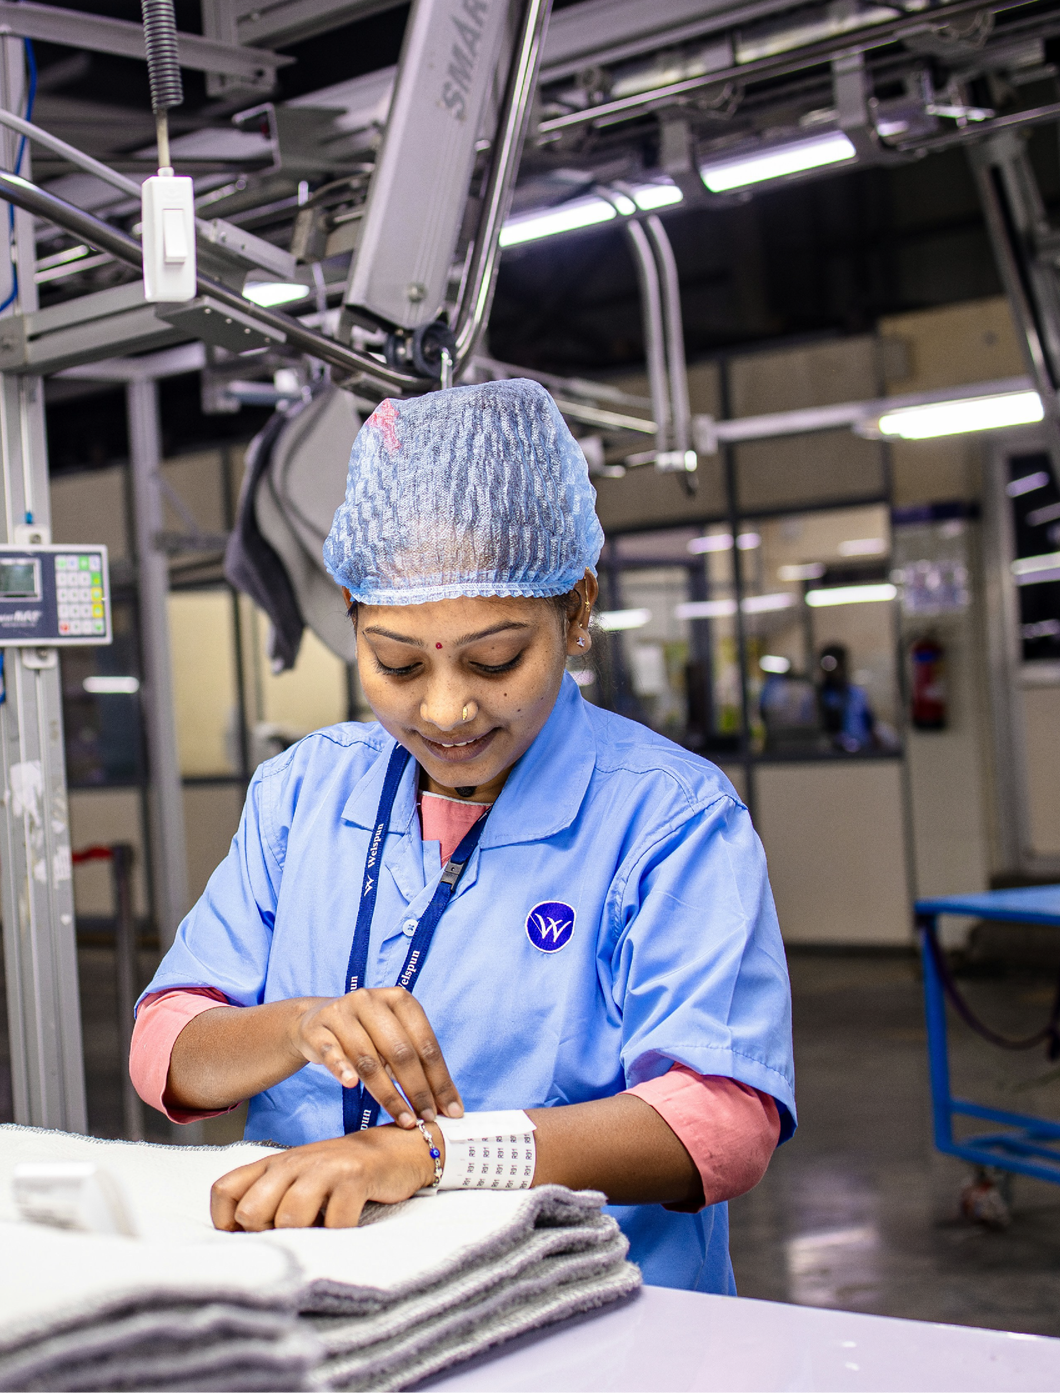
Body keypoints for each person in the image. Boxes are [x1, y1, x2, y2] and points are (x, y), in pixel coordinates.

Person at [130, 379, 795, 1293]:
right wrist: (301, 1026)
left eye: (495, 660)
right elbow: (168, 1048)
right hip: (333, 1305)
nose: (446, 710)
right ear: (353, 622)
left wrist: (437, 1154)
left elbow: (721, 1119)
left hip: (591, 1318)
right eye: (397, 662)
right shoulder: (304, 793)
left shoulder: (669, 819)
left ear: (579, 609)